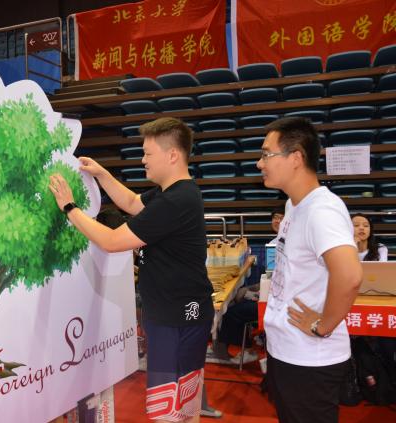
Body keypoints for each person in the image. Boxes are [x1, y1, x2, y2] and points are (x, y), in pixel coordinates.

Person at [49, 117, 213, 423]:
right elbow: (131, 201)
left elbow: (112, 241)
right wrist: (102, 174)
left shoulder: (175, 201)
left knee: (171, 408)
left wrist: (70, 208)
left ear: (172, 155)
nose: (143, 160)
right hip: (178, 313)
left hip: (177, 318)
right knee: (181, 401)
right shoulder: (174, 193)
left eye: (148, 153)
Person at [256, 117, 362, 423]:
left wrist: (323, 325)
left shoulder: (322, 210)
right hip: (287, 350)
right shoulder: (294, 205)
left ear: (296, 158)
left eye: (266, 154)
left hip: (309, 359)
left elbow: (350, 276)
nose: (260, 163)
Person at [207, 208, 284, 366]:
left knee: (232, 312)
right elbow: (271, 277)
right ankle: (228, 345)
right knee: (235, 299)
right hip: (272, 295)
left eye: (282, 218)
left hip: (276, 303)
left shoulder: (280, 246)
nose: (277, 221)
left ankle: (241, 350)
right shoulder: (275, 242)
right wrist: (252, 290)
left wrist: (253, 293)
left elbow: (275, 280)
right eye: (275, 217)